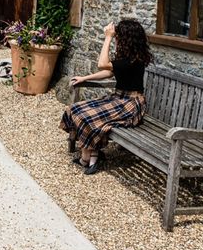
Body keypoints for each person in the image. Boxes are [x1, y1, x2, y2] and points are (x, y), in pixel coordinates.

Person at [60, 19, 153, 175]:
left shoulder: (135, 60)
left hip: (131, 104)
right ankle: (93, 153)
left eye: (118, 36)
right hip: (119, 98)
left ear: (126, 39)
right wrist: (85, 78)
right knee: (75, 109)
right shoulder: (128, 57)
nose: (116, 38)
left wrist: (107, 37)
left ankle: (87, 156)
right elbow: (110, 71)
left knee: (89, 117)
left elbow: (103, 64)